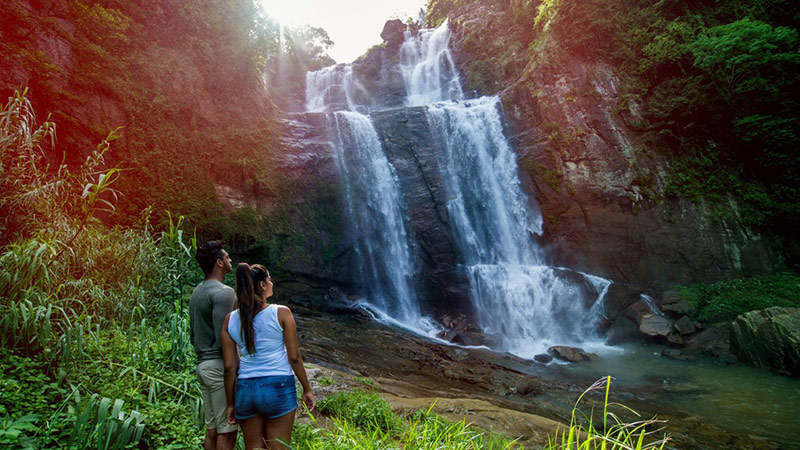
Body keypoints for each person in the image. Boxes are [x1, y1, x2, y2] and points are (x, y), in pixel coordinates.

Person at [221, 263, 315, 450]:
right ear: (263, 285)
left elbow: (230, 368)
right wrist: (307, 389)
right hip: (278, 387)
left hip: (246, 390)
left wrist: (231, 403)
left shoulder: (230, 319)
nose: (272, 282)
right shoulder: (281, 313)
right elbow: (294, 357)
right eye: (269, 279)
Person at [189, 240, 238, 450]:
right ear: (219, 262)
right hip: (218, 368)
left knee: (212, 430)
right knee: (227, 432)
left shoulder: (197, 291)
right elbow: (224, 339)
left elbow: (193, 336)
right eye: (227, 257)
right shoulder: (224, 293)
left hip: (202, 366)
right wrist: (235, 370)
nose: (230, 260)